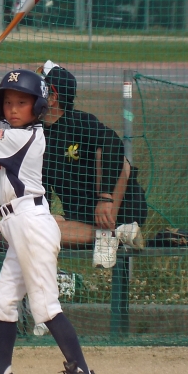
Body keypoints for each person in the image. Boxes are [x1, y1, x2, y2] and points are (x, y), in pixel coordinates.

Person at [0, 61, 98, 374]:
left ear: (38, 107)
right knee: (3, 302)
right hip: (20, 226)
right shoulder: (15, 132)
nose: (13, 109)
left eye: (22, 103)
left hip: (31, 226)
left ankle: (82, 371)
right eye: (8, 102)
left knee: (44, 305)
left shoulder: (23, 137)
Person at [37, 60, 147, 268]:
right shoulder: (37, 134)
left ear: (52, 98)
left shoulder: (79, 121)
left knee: (114, 158)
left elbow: (113, 143)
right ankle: (110, 235)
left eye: (38, 90)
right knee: (36, 228)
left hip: (121, 209)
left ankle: (110, 228)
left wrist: (105, 198)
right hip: (82, 219)